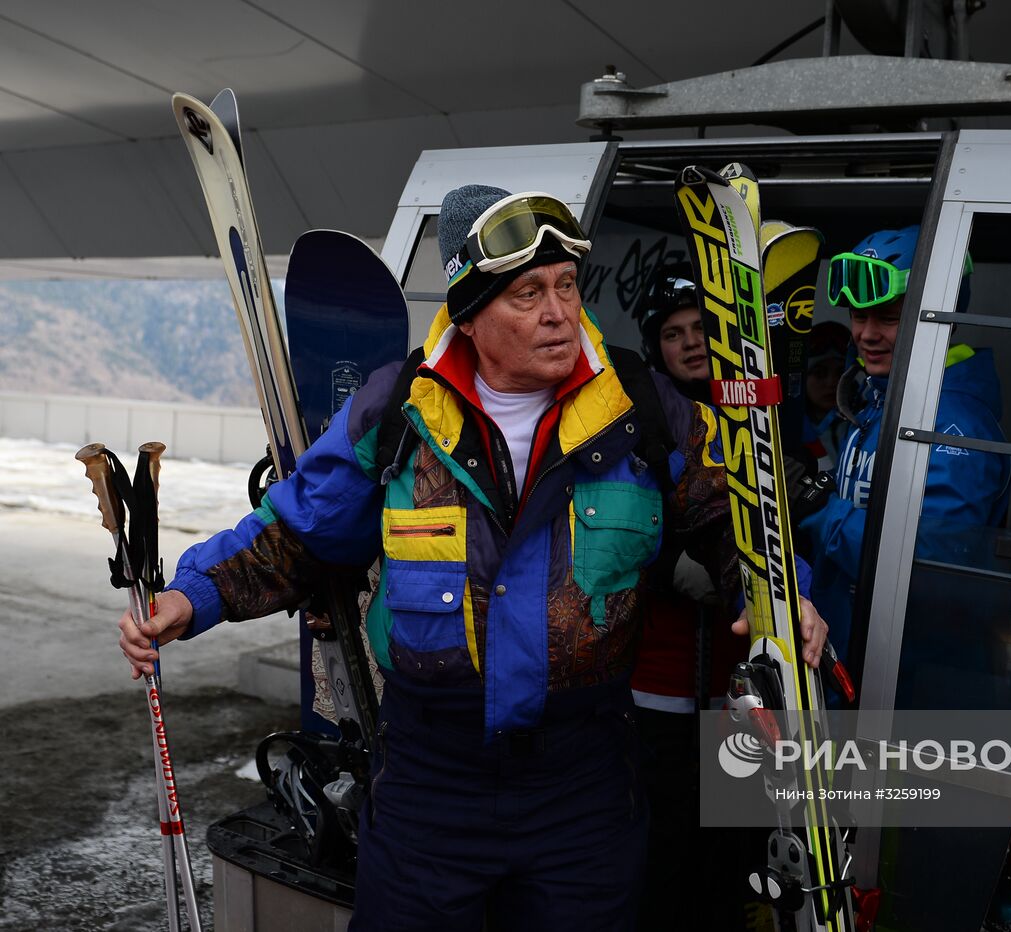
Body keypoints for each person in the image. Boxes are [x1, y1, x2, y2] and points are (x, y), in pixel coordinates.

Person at [117, 185, 828, 931]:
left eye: (565, 286)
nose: (558, 312)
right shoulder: (399, 414)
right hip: (433, 780)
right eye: (527, 293)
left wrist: (779, 599)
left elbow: (734, 522)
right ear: (471, 310)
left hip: (584, 784)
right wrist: (190, 596)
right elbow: (297, 533)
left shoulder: (638, 408)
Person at [797, 225, 1009, 665]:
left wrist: (817, 507)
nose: (867, 334)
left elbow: (928, 564)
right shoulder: (878, 396)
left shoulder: (955, 426)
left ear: (939, 315)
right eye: (858, 315)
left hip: (912, 671)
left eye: (888, 317)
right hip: (852, 650)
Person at [631, 264, 755, 931]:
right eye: (673, 333)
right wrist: (667, 564)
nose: (689, 343)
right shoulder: (641, 419)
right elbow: (604, 536)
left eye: (700, 328)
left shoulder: (748, 412)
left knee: (727, 850)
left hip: (733, 685)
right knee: (667, 842)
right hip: (661, 686)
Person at [801, 320, 852, 472]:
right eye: (819, 373)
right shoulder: (787, 428)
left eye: (840, 373)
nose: (831, 383)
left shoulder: (868, 422)